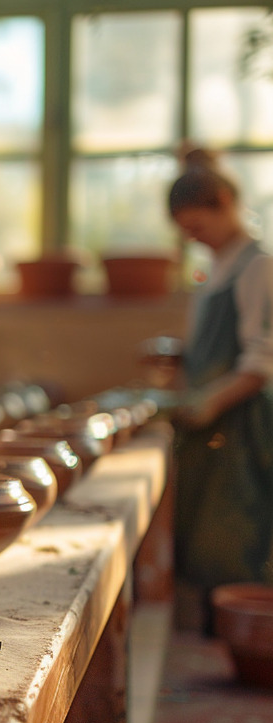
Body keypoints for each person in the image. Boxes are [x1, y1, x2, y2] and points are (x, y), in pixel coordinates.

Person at [167, 148, 273, 593]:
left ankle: (241, 648)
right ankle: (218, 636)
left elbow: (261, 363)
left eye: (198, 227)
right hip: (210, 425)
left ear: (226, 205)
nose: (195, 240)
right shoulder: (215, 271)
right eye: (185, 233)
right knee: (204, 540)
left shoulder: (259, 267)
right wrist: (177, 356)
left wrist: (208, 403)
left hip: (242, 428)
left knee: (237, 539)